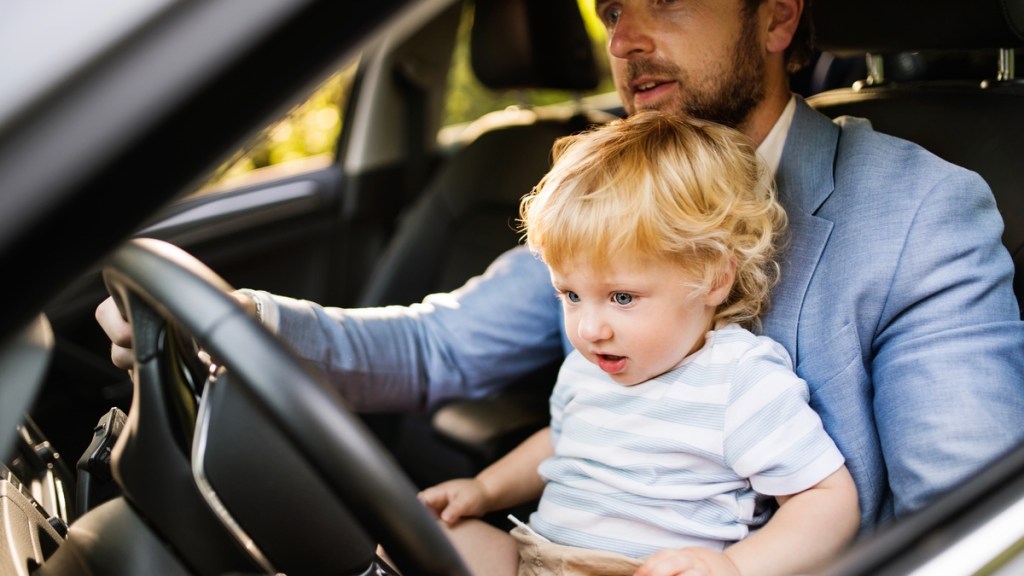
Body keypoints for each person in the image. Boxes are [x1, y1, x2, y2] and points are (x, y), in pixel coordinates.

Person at [97, 0, 1024, 551]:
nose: (623, 39)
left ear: (776, 15)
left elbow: (968, 525)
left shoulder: (919, 212)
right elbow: (437, 345)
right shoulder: (616, 189)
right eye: (613, 9)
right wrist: (237, 321)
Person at [416, 111, 860, 576]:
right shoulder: (589, 367)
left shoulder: (739, 380)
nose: (589, 329)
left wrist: (731, 567)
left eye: (621, 297)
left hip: (638, 570)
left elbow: (825, 499)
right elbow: (562, 441)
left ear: (713, 276)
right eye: (570, 295)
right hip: (538, 557)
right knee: (421, 534)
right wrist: (485, 490)